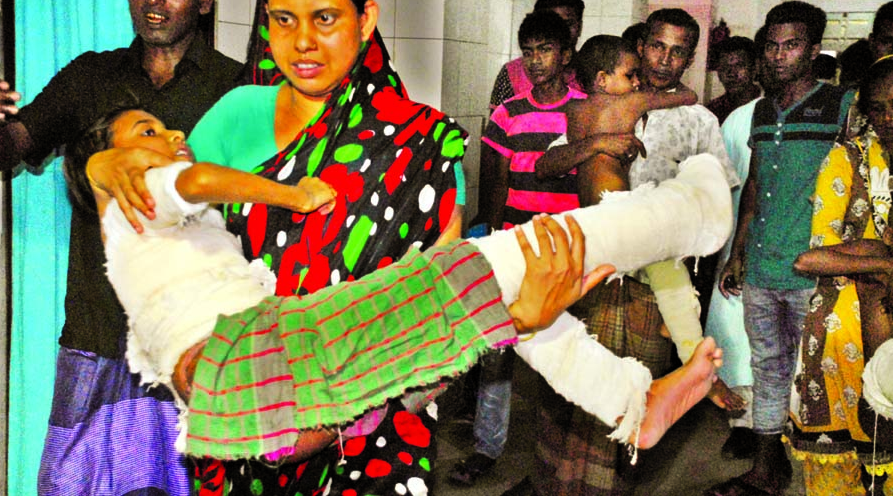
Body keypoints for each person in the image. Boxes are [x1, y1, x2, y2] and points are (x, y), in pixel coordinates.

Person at [71, 106, 738, 470]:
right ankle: (698, 211)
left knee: (496, 281)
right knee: (509, 261)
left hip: (264, 383)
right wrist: (290, 194)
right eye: (149, 131)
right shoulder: (132, 193)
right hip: (251, 360)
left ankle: (629, 403)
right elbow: (191, 179)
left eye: (164, 125)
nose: (173, 136)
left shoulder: (147, 240)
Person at [0, 0, 241, 495]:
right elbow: (12, 144)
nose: (154, 1)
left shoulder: (238, 90)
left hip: (193, 347)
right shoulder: (90, 78)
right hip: (96, 339)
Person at [531, 11, 740, 495]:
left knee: (634, 390)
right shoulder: (606, 103)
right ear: (641, 46)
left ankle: (614, 486)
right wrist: (598, 146)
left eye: (679, 51)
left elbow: (715, 196)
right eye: (657, 47)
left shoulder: (699, 122)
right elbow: (548, 164)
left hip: (649, 277)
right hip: (598, 270)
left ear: (691, 57)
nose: (666, 59)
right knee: (574, 385)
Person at [710, 1, 855, 496]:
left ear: (813, 50)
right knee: (767, 368)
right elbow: (755, 185)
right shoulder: (762, 112)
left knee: (821, 375)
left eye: (790, 45)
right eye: (770, 46)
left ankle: (832, 477)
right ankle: (766, 470)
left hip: (818, 270)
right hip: (764, 268)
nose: (777, 56)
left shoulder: (842, 107)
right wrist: (739, 251)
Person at [450, 9, 591, 486]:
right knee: (498, 349)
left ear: (566, 54)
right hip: (514, 245)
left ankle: (559, 455)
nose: (534, 62)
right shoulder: (509, 113)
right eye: (527, 52)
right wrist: (491, 234)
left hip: (565, 250)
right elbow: (496, 181)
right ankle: (488, 447)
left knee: (563, 351)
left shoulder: (585, 111)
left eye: (545, 51)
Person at [787, 55, 893, 495]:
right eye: (878, 107)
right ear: (864, 111)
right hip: (840, 341)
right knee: (840, 475)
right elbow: (814, 256)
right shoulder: (847, 158)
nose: (889, 118)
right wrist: (882, 262)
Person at [487, 0, 585, 114]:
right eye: (550, 25)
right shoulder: (511, 73)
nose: (560, 30)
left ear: (580, 27)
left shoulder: (591, 72)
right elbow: (496, 128)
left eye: (568, 24)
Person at [707, 36, 762, 124]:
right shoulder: (711, 112)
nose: (731, 73)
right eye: (724, 67)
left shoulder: (768, 105)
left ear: (755, 68)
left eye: (739, 66)